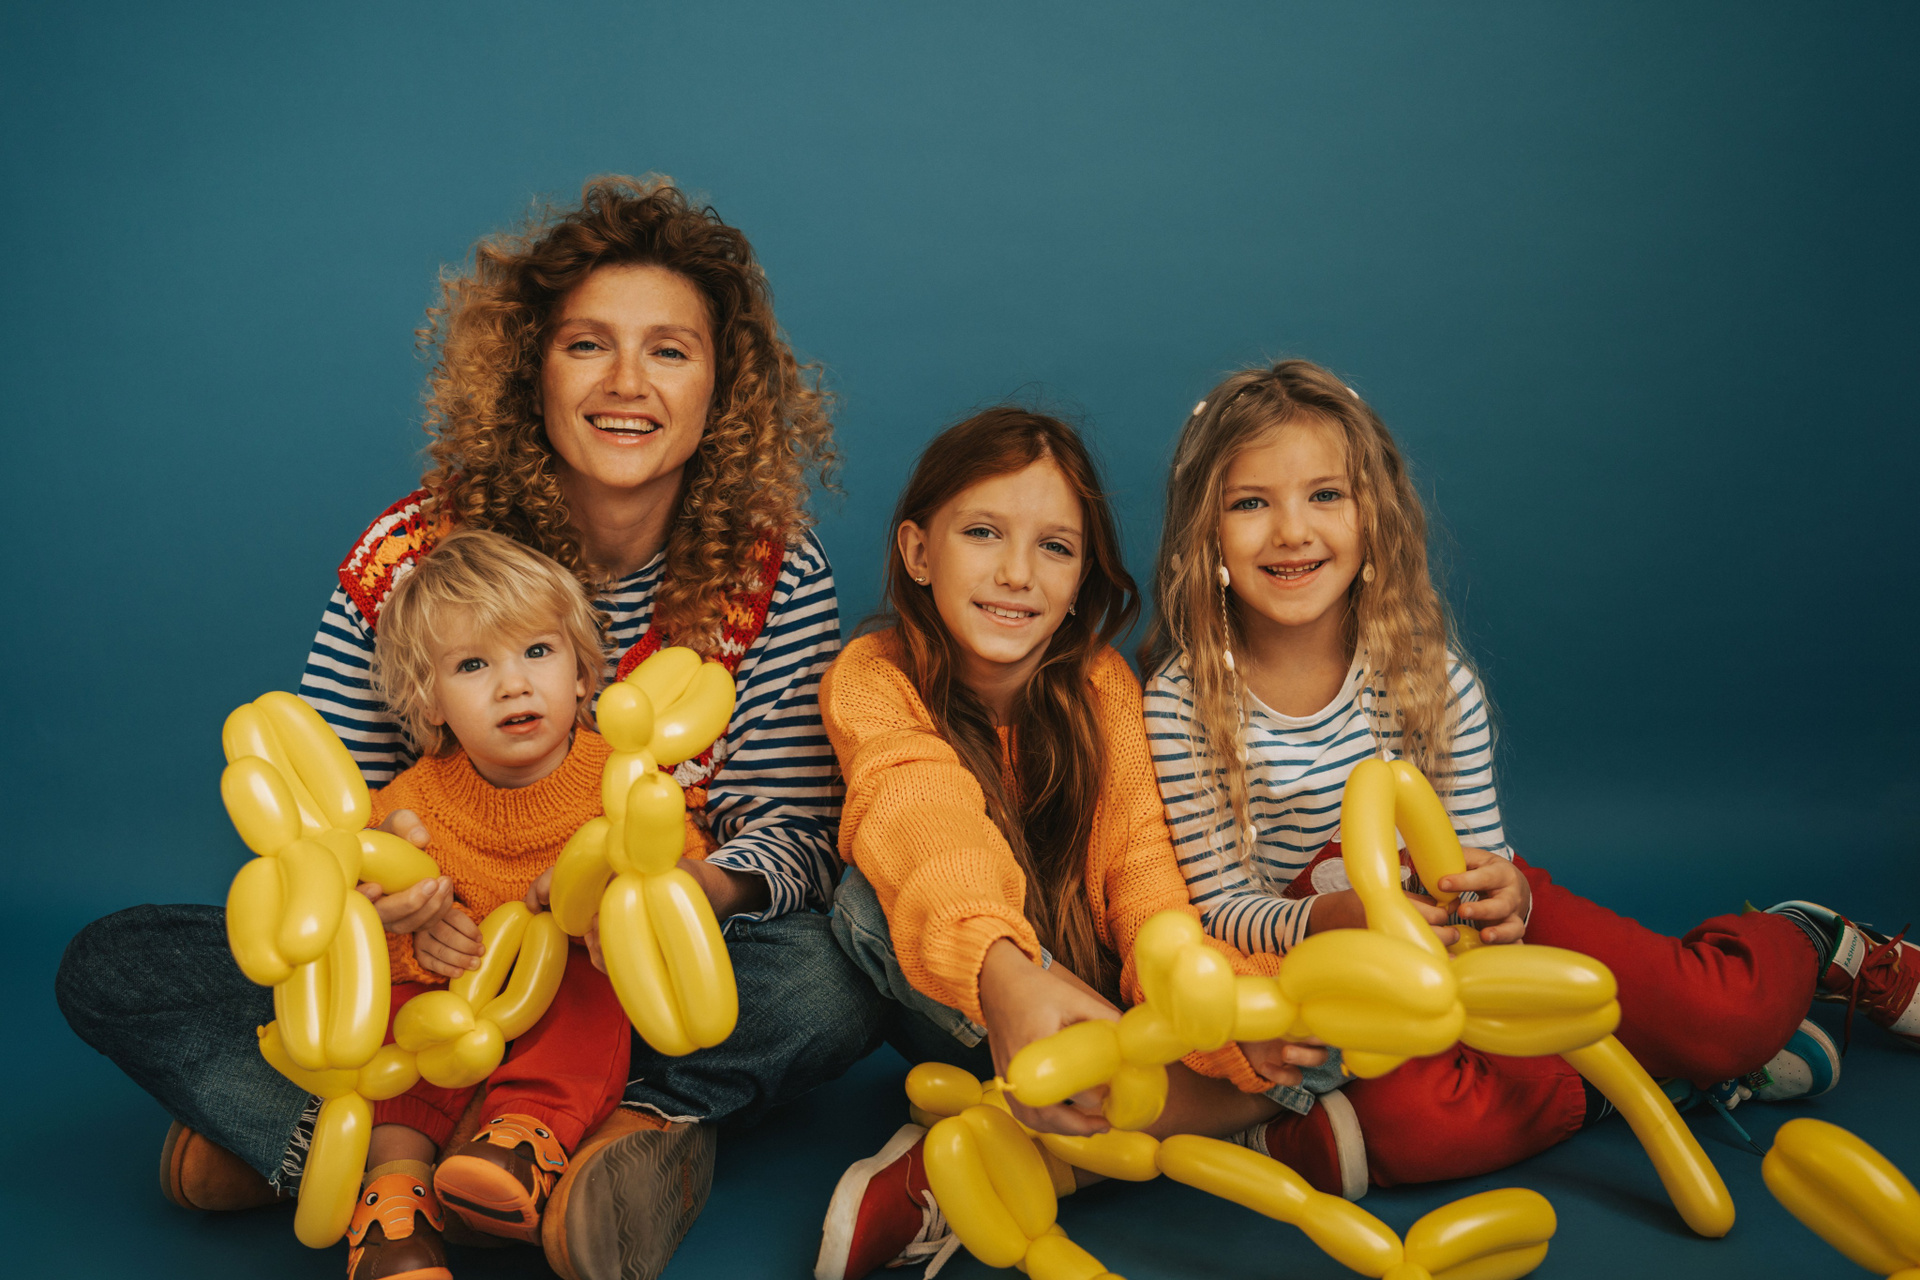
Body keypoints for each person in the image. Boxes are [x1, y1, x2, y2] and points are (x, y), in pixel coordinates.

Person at [56, 176, 883, 1280]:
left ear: (721, 386)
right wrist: (382, 895)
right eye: (587, 345)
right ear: (531, 368)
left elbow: (794, 832)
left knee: (837, 973)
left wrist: (683, 897)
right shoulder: (409, 555)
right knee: (113, 964)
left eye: (669, 350)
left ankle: (356, 1140)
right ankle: (554, 1150)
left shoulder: (777, 569)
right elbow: (322, 818)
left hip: (619, 975)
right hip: (426, 974)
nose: (626, 382)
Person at [1140, 357, 1919, 1192]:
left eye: (1325, 495)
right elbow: (1219, 906)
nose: (1292, 530)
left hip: (1484, 929)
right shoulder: (1183, 705)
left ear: (1375, 519)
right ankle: (1651, 1081)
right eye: (1250, 503)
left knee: (1723, 1016)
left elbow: (1484, 858)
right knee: (1403, 1128)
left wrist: (1503, 893)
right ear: (1204, 534)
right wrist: (1332, 919)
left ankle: (1811, 942)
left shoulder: (1428, 678)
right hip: (1345, 968)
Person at [809, 410, 1334, 1280]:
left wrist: (1225, 1024)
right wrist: (1008, 974)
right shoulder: (874, 676)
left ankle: (1009, 1146)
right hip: (981, 1004)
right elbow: (920, 817)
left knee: (1310, 1018)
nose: (1017, 574)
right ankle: (1214, 1118)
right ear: (918, 552)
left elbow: (1147, 890)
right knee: (864, 904)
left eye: (1054, 547)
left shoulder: (1101, 687)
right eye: (983, 533)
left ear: (1082, 574)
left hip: (1111, 1012)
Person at [331, 527, 627, 1280]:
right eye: (472, 665)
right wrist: (409, 933)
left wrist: (607, 904)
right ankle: (394, 1197)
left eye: (538, 652)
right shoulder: (409, 805)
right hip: (451, 1011)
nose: (512, 685)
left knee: (589, 995)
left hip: (565, 1002)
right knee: (394, 1012)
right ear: (430, 702)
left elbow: (676, 870)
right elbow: (351, 914)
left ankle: (520, 1143)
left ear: (583, 674)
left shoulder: (622, 783)